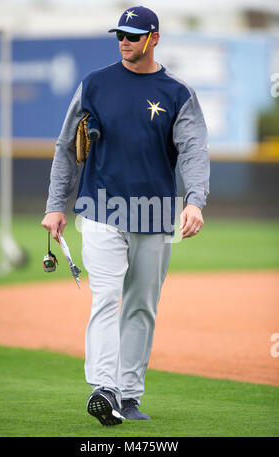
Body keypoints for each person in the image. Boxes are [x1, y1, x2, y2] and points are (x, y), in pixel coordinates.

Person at [41, 5, 210, 426]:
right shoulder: (94, 84)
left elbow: (193, 151)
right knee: (106, 299)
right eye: (121, 34)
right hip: (101, 210)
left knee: (141, 306)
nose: (125, 41)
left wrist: (195, 200)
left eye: (134, 35)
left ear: (154, 39)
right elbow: (67, 148)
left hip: (155, 214)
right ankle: (104, 388)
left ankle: (129, 394)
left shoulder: (177, 93)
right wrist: (55, 205)